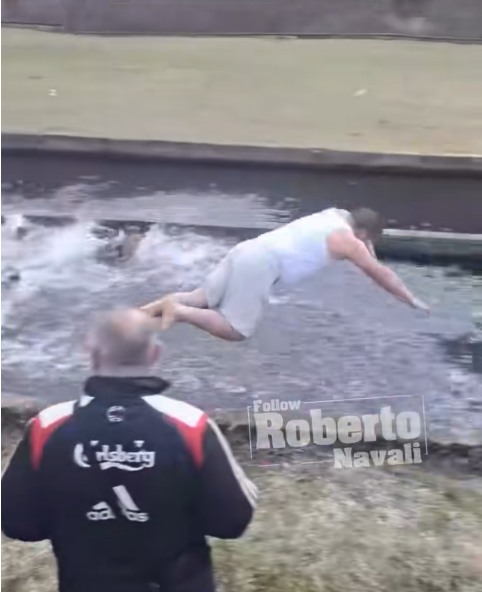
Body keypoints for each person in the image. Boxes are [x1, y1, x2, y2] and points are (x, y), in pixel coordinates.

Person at [2, 309, 257, 592]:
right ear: (155, 354)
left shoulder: (47, 428)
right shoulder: (191, 426)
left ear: (92, 353)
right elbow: (233, 521)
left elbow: (17, 523)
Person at [141, 207, 429, 342]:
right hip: (261, 264)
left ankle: (139, 317)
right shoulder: (348, 242)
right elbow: (380, 274)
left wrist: (367, 246)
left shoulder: (336, 215)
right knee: (236, 330)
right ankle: (178, 312)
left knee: (201, 298)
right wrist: (410, 299)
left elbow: (365, 243)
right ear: (363, 234)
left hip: (246, 249)